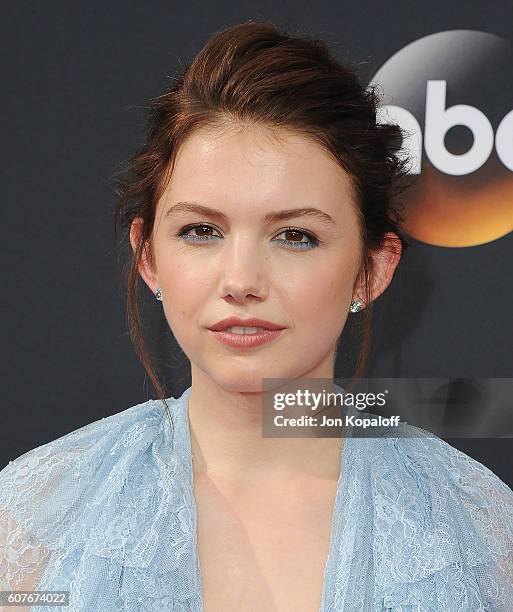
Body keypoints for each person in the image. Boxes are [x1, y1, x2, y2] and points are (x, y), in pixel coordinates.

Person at [1, 20, 512, 612]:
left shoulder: (474, 537)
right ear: (149, 257)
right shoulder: (36, 520)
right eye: (201, 231)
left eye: (295, 236)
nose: (241, 280)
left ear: (372, 268)